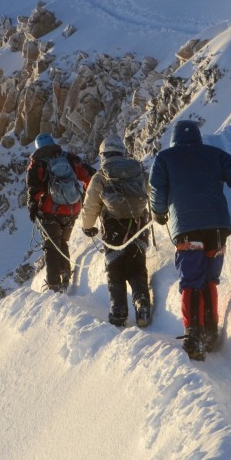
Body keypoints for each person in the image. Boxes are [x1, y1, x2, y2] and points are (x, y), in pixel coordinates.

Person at [149, 120, 231, 360]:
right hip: (217, 227)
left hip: (187, 230)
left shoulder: (165, 158)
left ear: (173, 139)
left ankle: (193, 333)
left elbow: (156, 189)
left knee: (191, 280)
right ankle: (210, 330)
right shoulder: (215, 154)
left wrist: (158, 212)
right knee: (210, 279)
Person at [79, 135, 153, 327]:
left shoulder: (101, 176)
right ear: (122, 151)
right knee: (137, 267)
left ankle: (118, 311)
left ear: (103, 155)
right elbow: (151, 191)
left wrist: (87, 227)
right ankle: (142, 303)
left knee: (115, 269)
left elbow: (90, 207)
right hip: (138, 225)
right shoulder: (137, 169)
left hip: (113, 228)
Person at [27, 133, 95, 292]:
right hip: (72, 208)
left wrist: (33, 208)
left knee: (51, 245)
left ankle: (54, 285)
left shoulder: (37, 163)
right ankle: (65, 273)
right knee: (62, 241)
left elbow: (33, 189)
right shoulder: (69, 158)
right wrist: (86, 197)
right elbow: (89, 176)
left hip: (50, 211)